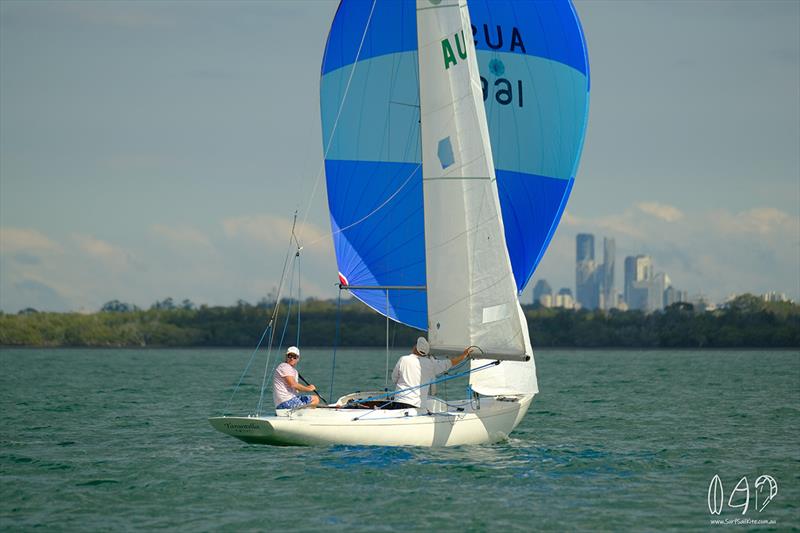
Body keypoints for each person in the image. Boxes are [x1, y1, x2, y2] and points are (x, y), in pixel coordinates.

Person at [390, 337, 472, 410]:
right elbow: (450, 363)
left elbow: (394, 378)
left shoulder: (403, 359)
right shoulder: (431, 364)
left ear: (415, 348)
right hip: (417, 406)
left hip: (399, 402)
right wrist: (464, 355)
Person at [272, 346, 320, 410]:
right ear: (286, 356)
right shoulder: (284, 367)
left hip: (289, 401)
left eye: (294, 357)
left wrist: (307, 388)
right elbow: (293, 384)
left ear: (298, 359)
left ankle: (306, 413)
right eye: (290, 356)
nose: (292, 358)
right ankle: (306, 414)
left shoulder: (293, 371)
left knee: (315, 399)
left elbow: (296, 388)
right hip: (285, 402)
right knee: (313, 402)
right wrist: (308, 389)